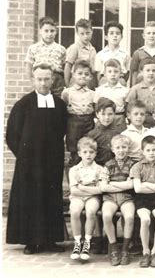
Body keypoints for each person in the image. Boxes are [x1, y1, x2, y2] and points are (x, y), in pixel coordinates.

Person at [6, 63, 67, 254]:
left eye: (47, 79)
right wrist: (25, 156)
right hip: (29, 164)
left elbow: (62, 130)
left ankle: (50, 240)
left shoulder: (59, 104)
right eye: (39, 79)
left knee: (50, 197)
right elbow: (11, 135)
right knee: (31, 199)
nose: (43, 83)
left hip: (51, 162)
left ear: (53, 80)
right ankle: (30, 241)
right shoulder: (23, 104)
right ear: (33, 79)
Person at [131, 136, 155, 268]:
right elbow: (137, 189)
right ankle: (145, 251)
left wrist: (146, 184)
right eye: (148, 150)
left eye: (154, 149)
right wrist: (153, 187)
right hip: (142, 200)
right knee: (145, 220)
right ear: (143, 151)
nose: (151, 152)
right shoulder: (137, 166)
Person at [100, 135, 136, 266]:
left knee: (130, 216)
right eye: (118, 147)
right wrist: (122, 185)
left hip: (127, 198)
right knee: (107, 215)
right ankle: (114, 247)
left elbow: (131, 185)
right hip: (110, 198)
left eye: (124, 147)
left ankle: (125, 249)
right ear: (113, 149)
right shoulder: (108, 165)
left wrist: (112, 184)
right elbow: (103, 186)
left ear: (128, 148)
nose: (121, 150)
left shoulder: (133, 164)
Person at [68, 137, 104, 262]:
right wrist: (89, 188)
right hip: (77, 197)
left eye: (91, 152)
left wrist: (82, 187)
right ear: (79, 153)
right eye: (85, 152)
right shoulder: (74, 170)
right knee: (75, 211)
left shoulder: (100, 169)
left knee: (90, 212)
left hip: (93, 198)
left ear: (95, 153)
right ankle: (77, 243)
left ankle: (87, 243)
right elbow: (73, 190)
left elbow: (100, 190)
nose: (88, 155)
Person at [61, 60, 96, 166]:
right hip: (73, 122)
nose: (83, 76)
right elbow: (63, 110)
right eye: (80, 73)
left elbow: (94, 110)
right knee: (74, 149)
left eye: (86, 74)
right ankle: (74, 174)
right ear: (73, 74)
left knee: (88, 146)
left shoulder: (92, 94)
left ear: (90, 77)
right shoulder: (67, 92)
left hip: (88, 122)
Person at [25, 17, 66, 97]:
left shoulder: (61, 49)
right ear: (40, 31)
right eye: (46, 31)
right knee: (39, 103)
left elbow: (65, 68)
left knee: (56, 102)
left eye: (52, 31)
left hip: (56, 80)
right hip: (40, 79)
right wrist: (33, 82)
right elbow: (28, 67)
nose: (49, 34)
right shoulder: (33, 48)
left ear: (56, 32)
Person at [94, 58, 130, 130]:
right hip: (103, 120)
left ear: (120, 73)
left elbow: (126, 108)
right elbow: (96, 107)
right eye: (109, 71)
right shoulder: (100, 90)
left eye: (116, 71)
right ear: (104, 74)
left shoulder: (125, 91)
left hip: (119, 120)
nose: (113, 74)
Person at [126, 57, 155, 128]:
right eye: (148, 70)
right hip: (139, 122)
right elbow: (129, 107)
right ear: (141, 72)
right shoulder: (136, 89)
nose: (151, 73)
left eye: (153, 70)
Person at [87, 97, 124, 165]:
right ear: (97, 114)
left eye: (110, 114)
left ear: (114, 114)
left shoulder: (119, 133)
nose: (107, 117)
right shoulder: (91, 135)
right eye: (103, 114)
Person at [130, 21, 155, 86]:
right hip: (141, 88)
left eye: (154, 33)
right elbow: (134, 73)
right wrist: (133, 88)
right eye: (148, 33)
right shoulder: (138, 53)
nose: (151, 35)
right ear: (144, 36)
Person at [64, 18, 97, 89]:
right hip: (76, 82)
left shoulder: (93, 49)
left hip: (88, 82)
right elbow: (68, 67)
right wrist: (67, 85)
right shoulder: (75, 48)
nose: (85, 36)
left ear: (92, 31)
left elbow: (93, 70)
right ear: (77, 34)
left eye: (88, 33)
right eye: (82, 34)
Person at [95, 21, 130, 86]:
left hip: (120, 81)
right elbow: (98, 74)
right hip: (105, 81)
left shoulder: (125, 54)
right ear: (106, 37)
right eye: (111, 33)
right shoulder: (100, 54)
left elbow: (127, 73)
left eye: (118, 33)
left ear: (122, 37)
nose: (115, 36)